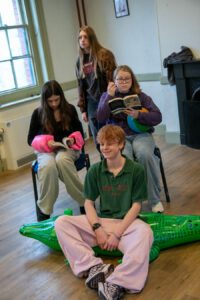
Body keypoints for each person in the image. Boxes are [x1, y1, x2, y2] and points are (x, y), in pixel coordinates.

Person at [55, 124, 153, 299]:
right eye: (101, 144)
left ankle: (117, 282)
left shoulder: (136, 170)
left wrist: (117, 234)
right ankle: (93, 267)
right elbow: (88, 203)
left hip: (127, 225)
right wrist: (97, 228)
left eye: (110, 144)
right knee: (62, 222)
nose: (105, 148)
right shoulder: (95, 171)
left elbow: (136, 206)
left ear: (121, 145)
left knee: (145, 232)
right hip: (103, 221)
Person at [97, 65, 164, 213]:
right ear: (114, 81)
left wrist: (139, 115)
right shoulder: (107, 95)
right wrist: (108, 96)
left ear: (132, 80)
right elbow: (100, 118)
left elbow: (158, 117)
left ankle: (154, 200)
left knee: (145, 154)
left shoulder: (141, 96)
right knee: (124, 159)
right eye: (120, 79)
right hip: (118, 138)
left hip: (141, 135)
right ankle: (128, 202)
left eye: (127, 78)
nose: (123, 81)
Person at [27, 80, 85, 221]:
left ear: (61, 97)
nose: (54, 104)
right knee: (48, 165)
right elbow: (30, 139)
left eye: (56, 100)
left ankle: (84, 201)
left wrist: (71, 140)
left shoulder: (70, 109)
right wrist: (47, 143)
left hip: (67, 149)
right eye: (50, 101)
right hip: (46, 150)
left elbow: (81, 134)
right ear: (44, 100)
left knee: (62, 160)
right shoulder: (38, 113)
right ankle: (44, 210)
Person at [76, 25, 117, 144]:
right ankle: (103, 159)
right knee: (97, 136)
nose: (82, 40)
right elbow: (81, 86)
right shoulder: (80, 61)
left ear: (92, 38)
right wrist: (83, 109)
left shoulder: (105, 55)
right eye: (80, 38)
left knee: (110, 132)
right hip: (91, 102)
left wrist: (112, 97)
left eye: (85, 37)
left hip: (106, 97)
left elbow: (112, 79)